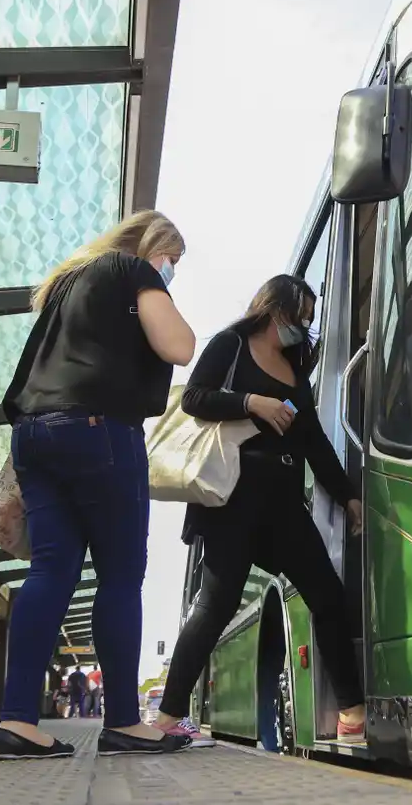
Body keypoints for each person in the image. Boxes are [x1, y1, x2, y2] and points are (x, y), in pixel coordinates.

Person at [0, 210, 197, 760]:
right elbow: (179, 346)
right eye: (173, 259)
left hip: (33, 435)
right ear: (154, 247)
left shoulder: (67, 283)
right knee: (121, 575)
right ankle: (124, 721)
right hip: (98, 430)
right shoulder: (133, 271)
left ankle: (17, 722)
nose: (172, 269)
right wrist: (158, 286)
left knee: (50, 571)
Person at [156, 275, 366, 747]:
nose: (304, 326)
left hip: (284, 500)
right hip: (232, 495)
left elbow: (313, 439)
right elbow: (194, 398)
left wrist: (347, 494)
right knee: (217, 604)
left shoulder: (296, 367)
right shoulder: (230, 344)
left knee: (327, 595)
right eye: (299, 315)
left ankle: (352, 714)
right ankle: (168, 718)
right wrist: (252, 402)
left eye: (309, 318)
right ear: (273, 309)